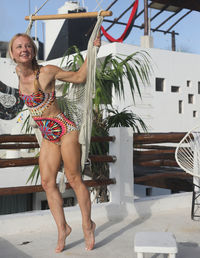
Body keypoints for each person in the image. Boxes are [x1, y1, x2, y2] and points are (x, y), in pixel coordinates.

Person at [9, 31, 101, 253]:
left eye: (28, 46)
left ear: (34, 51)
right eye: (19, 47)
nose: (24, 49)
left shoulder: (47, 72)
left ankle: (87, 224)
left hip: (66, 130)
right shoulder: (18, 76)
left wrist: (92, 50)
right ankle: (63, 229)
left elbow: (80, 77)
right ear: (12, 54)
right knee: (47, 183)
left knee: (73, 177)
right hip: (48, 137)